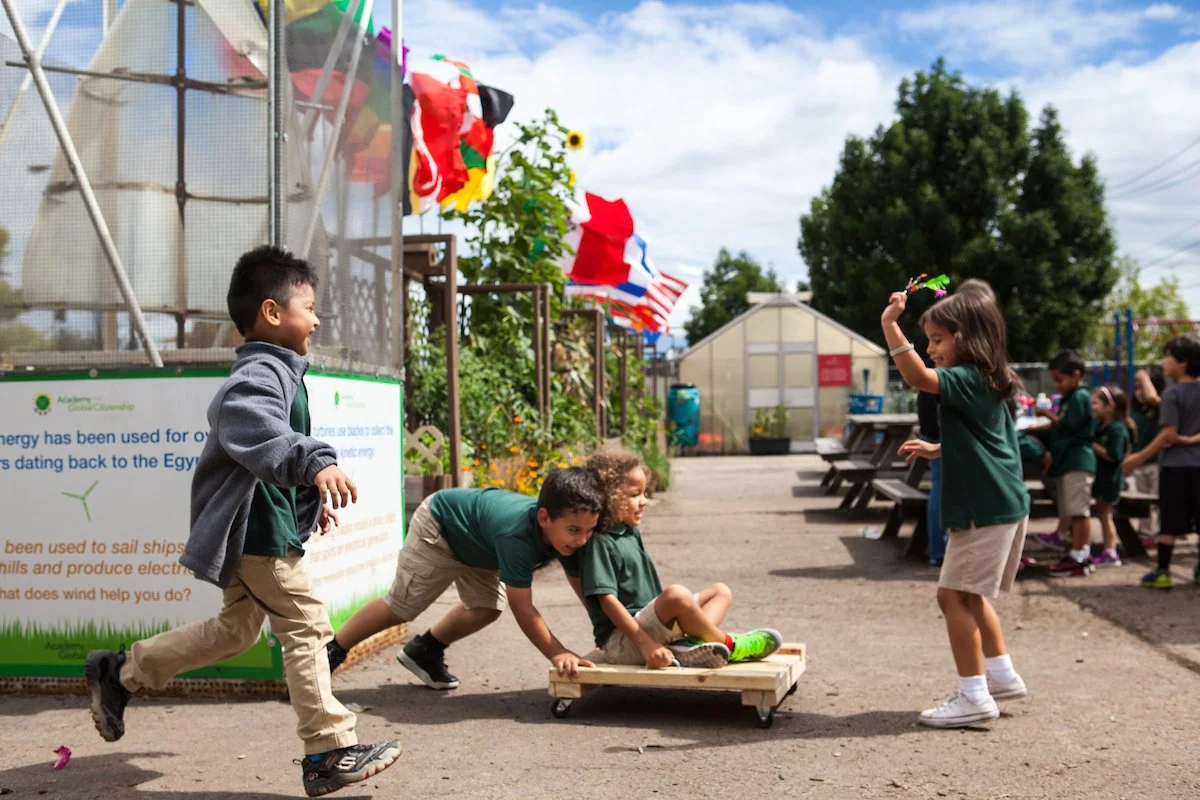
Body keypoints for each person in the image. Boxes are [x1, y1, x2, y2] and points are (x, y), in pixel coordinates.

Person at [84, 246, 401, 798]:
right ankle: (328, 749)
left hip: (262, 523)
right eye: (309, 307)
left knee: (236, 631)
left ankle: (123, 673)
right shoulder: (258, 373)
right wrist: (316, 463)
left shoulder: (279, 369)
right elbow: (255, 428)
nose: (317, 320)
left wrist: (310, 492)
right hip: (258, 534)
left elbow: (266, 454)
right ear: (272, 312)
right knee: (306, 624)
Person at [886, 282, 1029, 728]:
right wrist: (940, 448)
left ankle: (974, 696)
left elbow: (917, 378)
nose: (930, 350)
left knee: (951, 596)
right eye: (928, 341)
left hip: (984, 507)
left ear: (965, 338)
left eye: (937, 340)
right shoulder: (989, 377)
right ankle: (1000, 677)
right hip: (1003, 502)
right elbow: (991, 441)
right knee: (969, 595)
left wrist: (891, 326)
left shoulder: (966, 376)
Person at [326, 468, 604, 687]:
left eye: (589, 530)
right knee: (401, 607)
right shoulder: (517, 536)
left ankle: (424, 651)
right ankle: (331, 652)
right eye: (574, 530)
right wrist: (558, 652)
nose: (582, 540)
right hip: (441, 527)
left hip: (479, 544)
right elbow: (522, 606)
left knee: (486, 608)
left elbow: (580, 584)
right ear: (544, 518)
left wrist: (605, 629)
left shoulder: (566, 537)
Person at [578, 443, 783, 668]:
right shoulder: (601, 541)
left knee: (720, 592)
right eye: (635, 495)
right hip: (624, 642)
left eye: (644, 493)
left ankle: (689, 645)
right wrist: (646, 644)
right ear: (609, 497)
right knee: (676, 595)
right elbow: (607, 601)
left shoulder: (628, 532)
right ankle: (731, 646)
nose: (644, 501)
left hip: (652, 628)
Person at [1123, 335, 1200, 589]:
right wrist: (1191, 440)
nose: (1164, 362)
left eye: (1168, 356)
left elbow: (1168, 434)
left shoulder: (1172, 394)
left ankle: (1163, 571)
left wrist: (1139, 457)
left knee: (1169, 520)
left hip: (1176, 467)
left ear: (1183, 362)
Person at [1037, 350, 1097, 577]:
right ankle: (1076, 552)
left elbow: (1068, 425)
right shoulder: (1070, 397)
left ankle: (1080, 556)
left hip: (1077, 461)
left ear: (1076, 374)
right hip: (1068, 461)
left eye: (1060, 380)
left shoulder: (1080, 397)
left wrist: (1047, 414)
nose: (1058, 385)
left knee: (1079, 512)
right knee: (1072, 511)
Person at [1087, 386, 1134, 569]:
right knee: (1103, 514)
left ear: (1110, 406)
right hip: (1102, 479)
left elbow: (1115, 456)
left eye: (1096, 403)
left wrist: (1092, 445)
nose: (1092, 407)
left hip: (1111, 480)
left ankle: (1111, 551)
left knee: (1105, 515)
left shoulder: (1117, 429)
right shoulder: (1101, 426)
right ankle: (1109, 550)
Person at [1130, 366, 1166, 549]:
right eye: (1136, 387)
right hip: (1138, 464)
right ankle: (1146, 533)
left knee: (1155, 501)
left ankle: (1152, 534)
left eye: (1142, 386)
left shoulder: (1161, 407)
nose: (1139, 392)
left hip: (1156, 463)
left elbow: (1153, 398)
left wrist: (1143, 377)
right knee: (1143, 502)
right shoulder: (1135, 411)